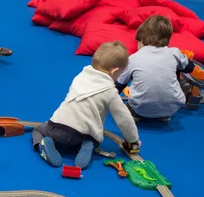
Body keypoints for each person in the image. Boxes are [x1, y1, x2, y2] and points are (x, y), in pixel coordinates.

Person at [32, 41, 141, 169]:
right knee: (90, 139)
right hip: (85, 135)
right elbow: (124, 119)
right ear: (114, 71)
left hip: (58, 128)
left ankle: (43, 144)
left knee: (38, 129)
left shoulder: (80, 77)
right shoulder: (110, 92)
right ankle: (86, 146)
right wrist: (133, 140)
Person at [115, 15, 195, 122]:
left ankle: (136, 115)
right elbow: (190, 68)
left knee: (128, 105)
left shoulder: (133, 58)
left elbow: (119, 85)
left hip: (140, 107)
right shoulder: (174, 52)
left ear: (142, 39)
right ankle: (164, 114)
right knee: (179, 70)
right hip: (172, 107)